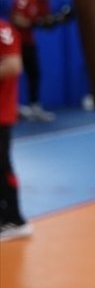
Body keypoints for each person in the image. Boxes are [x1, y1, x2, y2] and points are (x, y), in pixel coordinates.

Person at [9, 0, 70, 122]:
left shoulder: (43, 2)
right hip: (14, 43)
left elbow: (46, 21)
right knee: (13, 74)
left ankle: (34, 105)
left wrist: (57, 20)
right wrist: (35, 22)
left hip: (29, 43)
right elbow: (17, 19)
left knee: (34, 73)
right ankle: (11, 106)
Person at [0, 18, 31, 241]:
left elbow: (13, 65)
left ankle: (14, 219)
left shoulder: (2, 30)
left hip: (1, 112)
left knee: (1, 166)